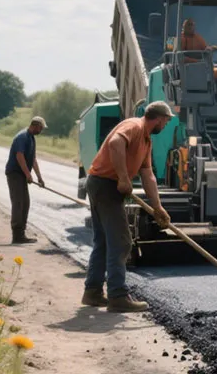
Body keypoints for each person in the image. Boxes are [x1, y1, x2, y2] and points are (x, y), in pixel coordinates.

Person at [82, 101, 173, 312]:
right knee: (122, 242)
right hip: (105, 185)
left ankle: (92, 292)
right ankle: (117, 296)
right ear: (158, 118)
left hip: (102, 184)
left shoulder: (146, 140)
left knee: (104, 242)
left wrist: (157, 206)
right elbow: (115, 143)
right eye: (166, 121)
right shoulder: (134, 126)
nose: (166, 125)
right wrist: (123, 178)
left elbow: (148, 174)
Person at [4, 116, 47, 244]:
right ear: (35, 125)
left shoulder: (31, 138)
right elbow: (19, 156)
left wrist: (39, 177)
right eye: (41, 128)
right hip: (15, 174)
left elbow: (33, 159)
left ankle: (21, 234)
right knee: (18, 203)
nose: (41, 131)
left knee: (25, 203)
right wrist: (28, 174)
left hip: (22, 175)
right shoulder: (22, 137)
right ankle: (17, 236)